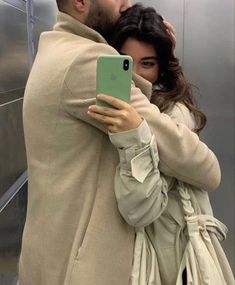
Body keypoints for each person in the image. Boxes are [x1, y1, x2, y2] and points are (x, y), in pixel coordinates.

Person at [19, 1, 221, 285]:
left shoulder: (56, 46)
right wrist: (159, 60)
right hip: (81, 267)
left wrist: (161, 50)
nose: (126, 3)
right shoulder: (88, 61)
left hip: (51, 253)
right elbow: (202, 166)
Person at [88, 4, 234, 285]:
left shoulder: (171, 114)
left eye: (148, 63)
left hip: (169, 258)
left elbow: (141, 211)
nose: (137, 75)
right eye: (126, 62)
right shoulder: (128, 106)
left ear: (161, 66)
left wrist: (134, 136)